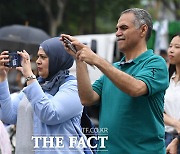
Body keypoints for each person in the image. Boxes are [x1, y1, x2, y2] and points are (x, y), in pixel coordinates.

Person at [61, 8, 169, 153]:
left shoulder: (156, 63)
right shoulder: (115, 69)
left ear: (143, 30)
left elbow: (136, 88)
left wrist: (97, 59)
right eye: (117, 28)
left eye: (124, 28)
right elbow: (87, 98)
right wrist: (79, 59)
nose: (118, 33)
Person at [0, 37, 90, 154]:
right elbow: (8, 115)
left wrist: (29, 76)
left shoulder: (73, 87)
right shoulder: (37, 85)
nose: (37, 61)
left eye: (43, 57)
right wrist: (2, 78)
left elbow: (50, 114)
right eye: (38, 56)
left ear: (57, 59)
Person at [164, 34, 180, 154]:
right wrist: (175, 123)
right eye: (170, 46)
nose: (171, 50)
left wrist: (177, 141)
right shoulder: (166, 79)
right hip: (164, 137)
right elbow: (157, 109)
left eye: (177, 47)